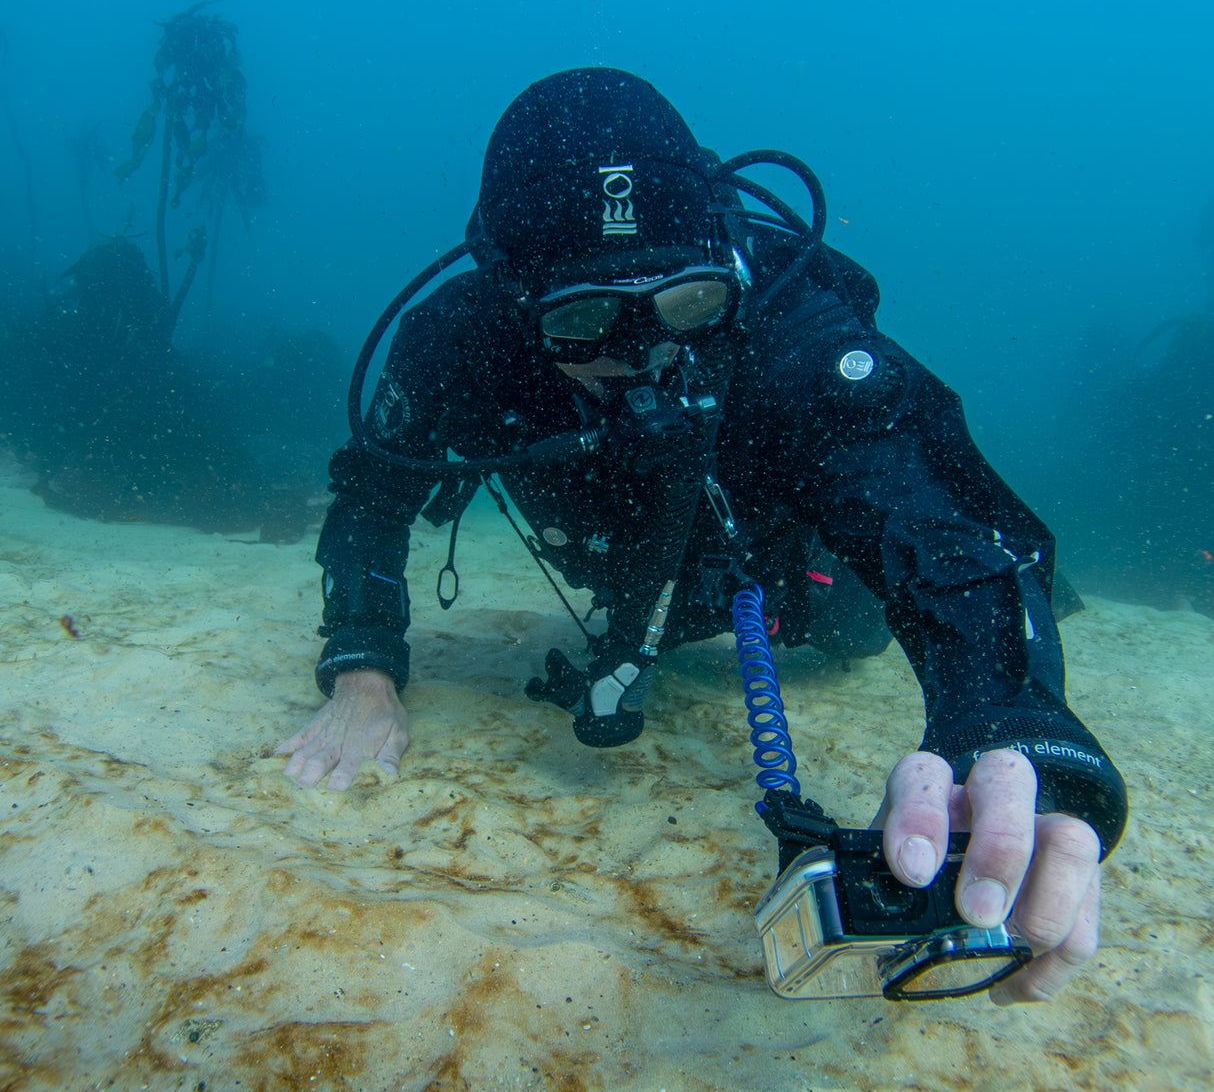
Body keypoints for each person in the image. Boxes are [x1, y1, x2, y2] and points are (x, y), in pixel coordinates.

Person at [277, 68, 1126, 1006]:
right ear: (516, 302)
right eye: (586, 318)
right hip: (619, 582)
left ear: (723, 264)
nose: (644, 351)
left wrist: (1008, 721)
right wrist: (363, 672)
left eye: (686, 304)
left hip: (781, 577)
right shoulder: (461, 339)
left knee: (854, 630)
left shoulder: (785, 317)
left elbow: (926, 511)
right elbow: (370, 496)